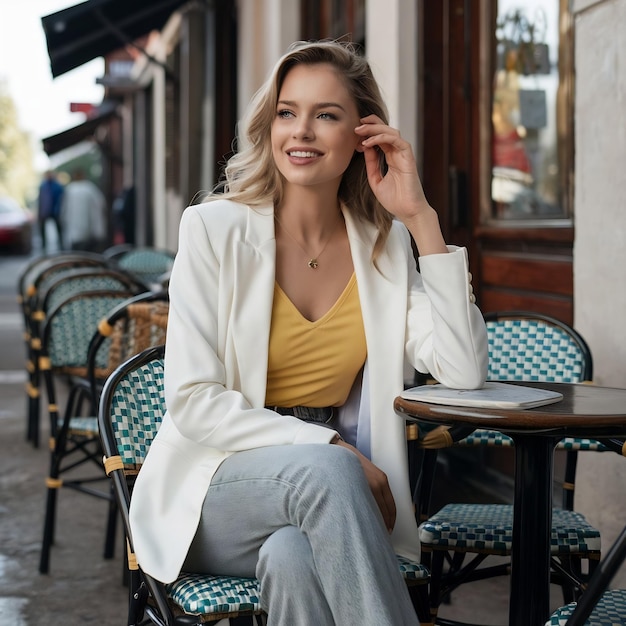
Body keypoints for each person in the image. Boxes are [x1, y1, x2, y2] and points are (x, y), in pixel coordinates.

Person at [129, 40, 489, 625]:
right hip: (214, 487)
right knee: (328, 475)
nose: (301, 132)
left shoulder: (385, 245)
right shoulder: (212, 229)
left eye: (326, 115)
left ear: (363, 134)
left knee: (294, 558)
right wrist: (330, 447)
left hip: (328, 498)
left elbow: (463, 369)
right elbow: (193, 402)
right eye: (287, 112)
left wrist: (421, 219)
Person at [60, 168, 107, 251]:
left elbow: (64, 209)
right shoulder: (89, 188)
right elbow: (100, 203)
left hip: (75, 230)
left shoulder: (70, 189)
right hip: (88, 230)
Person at [37, 170, 64, 252]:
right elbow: (40, 199)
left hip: (55, 211)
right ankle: (43, 246)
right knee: (42, 229)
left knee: (59, 229)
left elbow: (61, 199)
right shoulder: (43, 185)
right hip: (45, 211)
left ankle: (61, 244)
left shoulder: (57, 186)